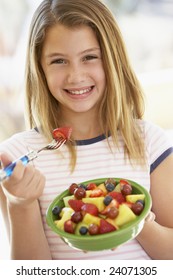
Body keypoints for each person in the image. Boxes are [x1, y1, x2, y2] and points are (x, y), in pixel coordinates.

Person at [0, 0, 173, 260]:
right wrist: (20, 203)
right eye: (59, 61)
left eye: (89, 57)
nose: (75, 76)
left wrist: (128, 217)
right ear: (40, 67)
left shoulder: (150, 142)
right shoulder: (17, 159)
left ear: (112, 60)